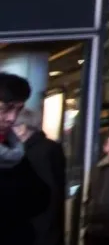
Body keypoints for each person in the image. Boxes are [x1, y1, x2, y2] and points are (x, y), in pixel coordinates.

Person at [0, 73, 49, 245]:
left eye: (18, 109)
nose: (12, 118)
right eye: (5, 109)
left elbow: (42, 198)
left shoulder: (13, 149)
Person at [15, 106, 68, 245]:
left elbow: (48, 194)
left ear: (22, 128)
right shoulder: (47, 148)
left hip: (39, 231)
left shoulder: (39, 152)